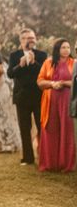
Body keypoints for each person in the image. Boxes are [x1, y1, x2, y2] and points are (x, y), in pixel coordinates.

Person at [7, 28, 47, 166]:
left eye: (32, 38)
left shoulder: (42, 54)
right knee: (24, 128)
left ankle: (44, 156)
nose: (30, 40)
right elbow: (10, 74)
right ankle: (28, 158)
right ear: (21, 40)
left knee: (42, 127)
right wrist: (20, 65)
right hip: (21, 97)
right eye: (27, 38)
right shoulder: (14, 55)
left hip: (38, 96)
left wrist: (34, 62)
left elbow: (45, 73)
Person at [37, 39, 75, 172]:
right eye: (63, 47)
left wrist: (63, 83)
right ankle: (50, 163)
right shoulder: (48, 62)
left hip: (67, 100)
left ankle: (66, 164)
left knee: (67, 130)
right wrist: (52, 84)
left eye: (68, 47)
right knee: (50, 129)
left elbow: (75, 83)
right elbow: (40, 82)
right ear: (57, 49)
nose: (66, 50)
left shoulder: (74, 63)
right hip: (50, 101)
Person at [0, 46, 21, 153]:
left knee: (0, 117)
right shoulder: (3, 65)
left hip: (0, 92)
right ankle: (8, 143)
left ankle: (5, 144)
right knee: (7, 117)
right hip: (6, 92)